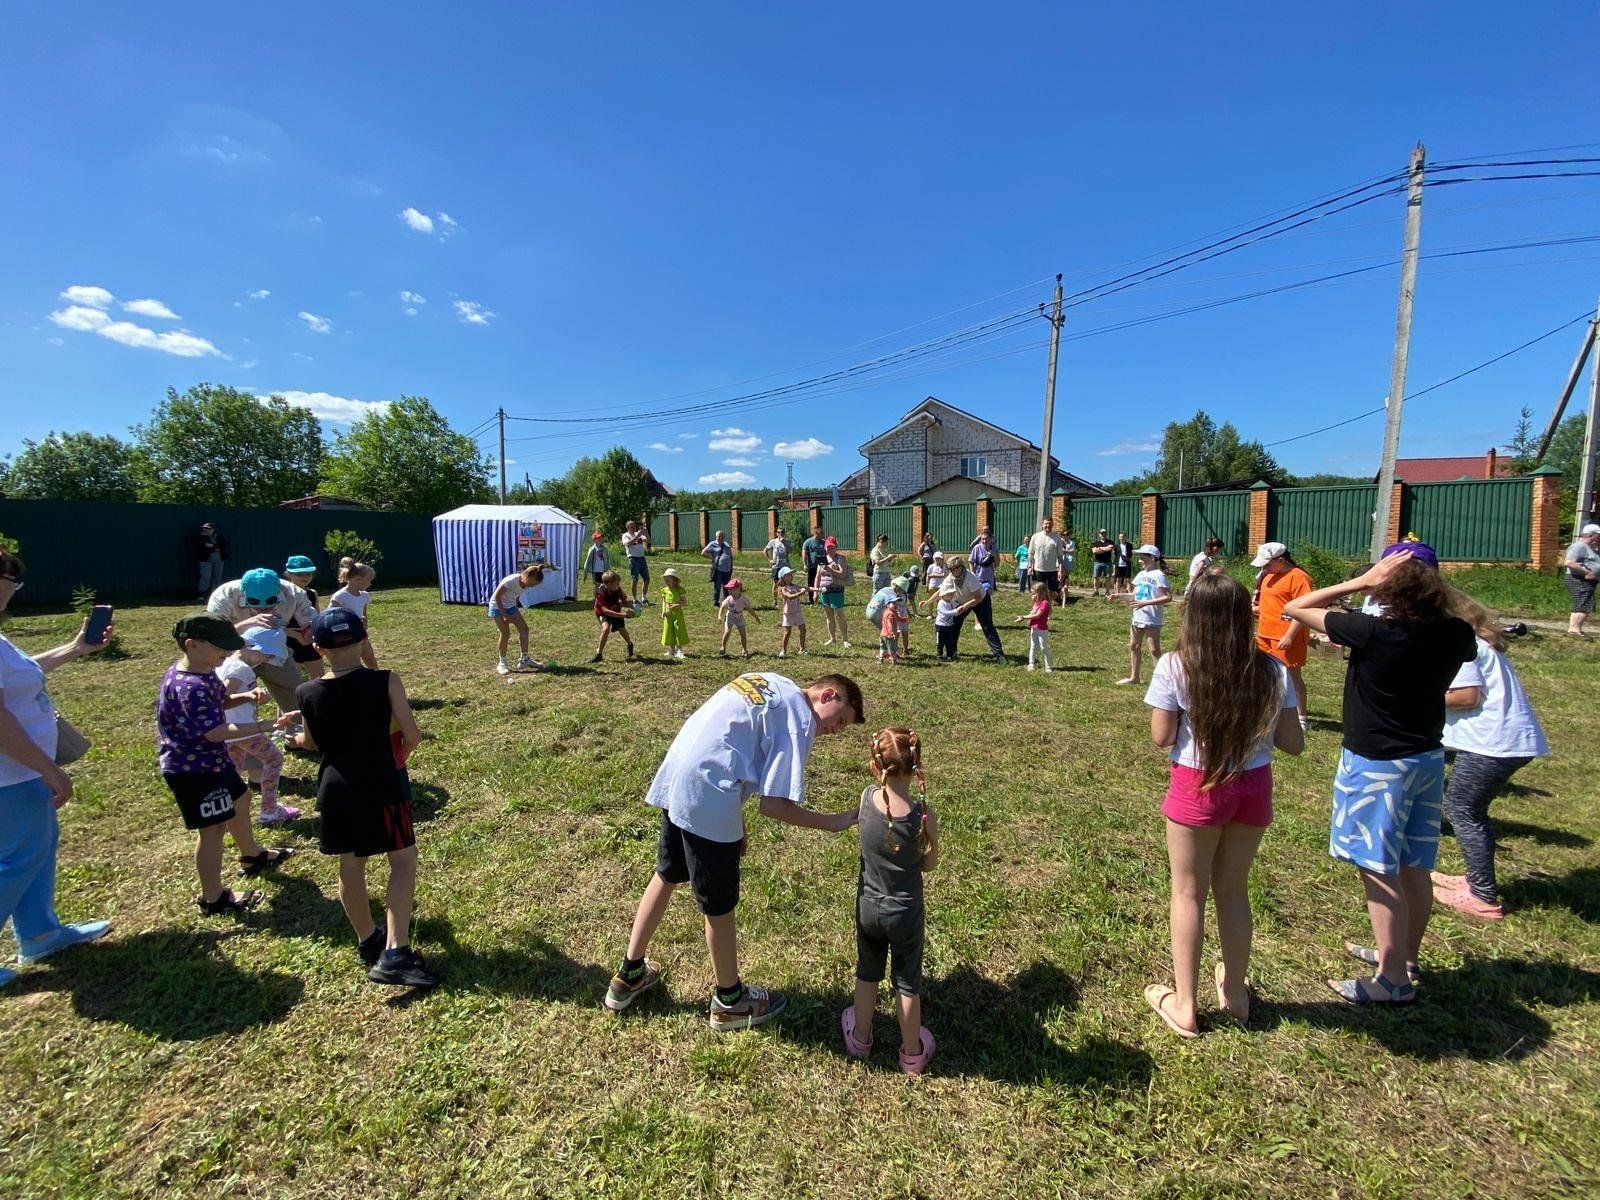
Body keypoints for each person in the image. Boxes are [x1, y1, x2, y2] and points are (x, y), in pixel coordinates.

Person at [603, 672, 865, 1028]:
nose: (836, 730)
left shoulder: (772, 680)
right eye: (841, 720)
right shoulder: (799, 721)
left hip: (680, 773)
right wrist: (836, 821)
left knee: (666, 875)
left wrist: (733, 820)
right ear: (828, 694)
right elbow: (774, 806)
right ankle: (730, 1002)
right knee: (719, 906)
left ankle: (630, 972)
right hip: (710, 792)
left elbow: (732, 742)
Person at [1282, 544, 1476, 1005]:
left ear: (1386, 584)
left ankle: (1391, 981)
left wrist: (1357, 583)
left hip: (1376, 766)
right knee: (1414, 865)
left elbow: (1294, 607)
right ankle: (1404, 956)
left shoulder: (1372, 631)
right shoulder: (1456, 632)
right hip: (1427, 757)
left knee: (1377, 868)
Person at [1142, 573, 1304, 1037]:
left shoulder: (1176, 666)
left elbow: (1161, 737)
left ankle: (1186, 1004)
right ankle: (1234, 993)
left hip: (1198, 783)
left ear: (1193, 616)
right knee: (1233, 890)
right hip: (1254, 784)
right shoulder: (1272, 668)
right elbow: (1293, 743)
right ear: (1242, 615)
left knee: (1187, 892)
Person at [292, 607, 436, 988]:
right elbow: (412, 734)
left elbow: (310, 743)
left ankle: (368, 938)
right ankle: (396, 952)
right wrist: (399, 758)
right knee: (402, 860)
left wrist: (291, 736)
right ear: (363, 640)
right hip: (384, 784)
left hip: (336, 788)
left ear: (319, 648)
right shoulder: (386, 680)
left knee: (351, 864)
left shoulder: (306, 691)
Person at [0, 547, 113, 987]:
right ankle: (39, 933)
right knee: (18, 857)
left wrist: (74, 648)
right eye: (10, 580)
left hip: (22, 771)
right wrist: (47, 769)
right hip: (11, 774)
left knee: (38, 850)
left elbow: (22, 673)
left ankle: (41, 933)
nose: (12, 589)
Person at [158, 614, 297, 916]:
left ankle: (252, 855)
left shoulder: (205, 670)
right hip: (193, 769)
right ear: (192, 645)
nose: (226, 652)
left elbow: (220, 701)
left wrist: (244, 696)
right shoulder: (190, 686)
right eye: (221, 647)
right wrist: (261, 726)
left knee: (242, 798)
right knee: (212, 830)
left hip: (213, 761)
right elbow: (215, 732)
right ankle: (213, 898)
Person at [1431, 589, 1550, 920]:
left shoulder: (1459, 645)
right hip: (1499, 740)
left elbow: (1466, 696)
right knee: (1468, 807)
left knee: (1463, 809)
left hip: (1494, 743)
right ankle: (1475, 880)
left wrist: (1414, 697)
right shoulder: (1476, 641)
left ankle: (1482, 895)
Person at [841, 726, 940, 1074]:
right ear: (916, 768)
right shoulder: (921, 816)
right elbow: (929, 863)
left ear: (874, 767)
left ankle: (860, 1037)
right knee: (907, 982)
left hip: (868, 906)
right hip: (905, 913)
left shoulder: (867, 799)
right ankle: (912, 1053)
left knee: (867, 972)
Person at [217, 626, 301, 826]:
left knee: (235, 771)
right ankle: (270, 810)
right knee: (273, 760)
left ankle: (228, 815)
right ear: (252, 648)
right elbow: (222, 698)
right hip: (244, 730)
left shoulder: (225, 664)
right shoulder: (241, 669)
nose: (268, 659)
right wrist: (250, 696)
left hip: (228, 732)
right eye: (267, 654)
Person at [207, 568, 317, 712]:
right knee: (227, 701)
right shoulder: (224, 596)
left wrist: (308, 632)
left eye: (271, 603)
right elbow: (211, 634)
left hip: (272, 651)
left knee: (295, 696)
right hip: (233, 654)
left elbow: (310, 622)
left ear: (279, 592)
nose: (263, 609)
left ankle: (293, 729)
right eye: (254, 603)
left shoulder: (294, 594)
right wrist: (245, 624)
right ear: (244, 593)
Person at [1250, 542, 1313, 731]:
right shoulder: (1267, 576)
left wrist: (1289, 635)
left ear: (1281, 560)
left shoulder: (1299, 578)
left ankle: (1301, 717)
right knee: (1267, 674)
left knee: (1292, 676)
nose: (1265, 568)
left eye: (1268, 564)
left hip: (1286, 636)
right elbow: (1269, 604)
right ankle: (1270, 709)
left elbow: (1304, 609)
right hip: (1265, 633)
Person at [1117, 546, 1170, 686]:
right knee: (1134, 646)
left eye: (1142, 557)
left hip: (1152, 618)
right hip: (1137, 617)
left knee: (1154, 650)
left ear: (1152, 558)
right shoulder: (1140, 575)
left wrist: (1145, 603)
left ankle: (1163, 682)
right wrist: (1119, 596)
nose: (1140, 561)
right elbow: (1134, 595)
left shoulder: (1159, 575)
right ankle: (1134, 677)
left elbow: (1168, 597)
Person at [489, 565, 547, 675]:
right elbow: (497, 597)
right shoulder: (512, 580)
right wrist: (505, 614)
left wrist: (513, 612)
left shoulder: (525, 583)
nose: (531, 586)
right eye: (532, 583)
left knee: (524, 629)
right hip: (497, 606)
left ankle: (524, 659)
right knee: (505, 633)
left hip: (510, 605)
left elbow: (513, 596)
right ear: (528, 576)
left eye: (534, 585)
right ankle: (502, 663)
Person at [929, 556, 985, 662]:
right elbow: (941, 592)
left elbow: (977, 597)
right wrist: (928, 601)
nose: (954, 570)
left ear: (961, 566)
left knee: (987, 626)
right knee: (952, 628)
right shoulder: (950, 578)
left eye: (956, 567)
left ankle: (998, 653)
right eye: (951, 569)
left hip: (980, 600)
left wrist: (963, 607)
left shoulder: (969, 577)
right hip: (962, 603)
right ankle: (950, 652)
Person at [965, 532, 1008, 663]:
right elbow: (971, 562)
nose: (984, 541)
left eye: (986, 539)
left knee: (986, 597)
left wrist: (994, 556)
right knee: (977, 599)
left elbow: (998, 564)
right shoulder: (976, 548)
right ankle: (978, 622)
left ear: (990, 540)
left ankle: (986, 620)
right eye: (982, 539)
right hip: (977, 578)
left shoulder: (994, 548)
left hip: (988, 579)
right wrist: (972, 574)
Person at [282, 554, 324, 682]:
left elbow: (317, 617)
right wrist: (296, 636)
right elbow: (276, 624)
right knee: (292, 681)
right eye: (300, 574)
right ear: (289, 575)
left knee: (319, 678)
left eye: (308, 574)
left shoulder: (312, 593)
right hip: (289, 642)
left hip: (308, 640)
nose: (305, 577)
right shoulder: (283, 595)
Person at [331, 557, 378, 670]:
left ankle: (377, 677)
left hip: (361, 633)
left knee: (370, 658)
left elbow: (363, 612)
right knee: (349, 663)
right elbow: (330, 616)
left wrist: (364, 621)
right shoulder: (340, 596)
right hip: (346, 635)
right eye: (369, 580)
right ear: (358, 579)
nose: (370, 584)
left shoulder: (364, 595)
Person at [1563, 523, 1600, 638]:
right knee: (1584, 603)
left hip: (1586, 581)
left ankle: (1574, 629)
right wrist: (1587, 572)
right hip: (1578, 579)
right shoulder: (1579, 546)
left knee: (1583, 603)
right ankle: (1574, 630)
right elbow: (1569, 562)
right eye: (1598, 535)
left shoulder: (1591, 548)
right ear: (1591, 535)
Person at [592, 570, 637, 662]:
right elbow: (606, 611)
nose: (618, 585)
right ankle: (599, 654)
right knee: (605, 629)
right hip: (602, 613)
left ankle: (630, 644)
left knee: (621, 629)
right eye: (616, 584)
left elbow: (624, 601)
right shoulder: (600, 592)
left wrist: (634, 608)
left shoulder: (617, 588)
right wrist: (624, 615)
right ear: (608, 584)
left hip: (615, 609)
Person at [814, 537, 851, 649]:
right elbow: (817, 577)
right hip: (824, 590)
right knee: (829, 615)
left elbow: (842, 574)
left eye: (832, 547)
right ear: (825, 548)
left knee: (840, 614)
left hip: (837, 590)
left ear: (836, 547)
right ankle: (832, 638)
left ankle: (845, 640)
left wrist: (829, 569)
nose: (830, 549)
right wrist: (815, 592)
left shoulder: (841, 558)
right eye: (828, 547)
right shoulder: (822, 559)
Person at [1014, 581, 1053, 672]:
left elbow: (1037, 616)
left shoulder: (1045, 603)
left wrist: (1023, 617)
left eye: (1034, 594)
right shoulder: (1036, 604)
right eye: (1031, 594)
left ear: (1041, 593)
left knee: (1043, 647)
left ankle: (1048, 666)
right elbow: (1032, 614)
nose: (1032, 596)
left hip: (1042, 630)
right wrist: (1025, 616)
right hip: (1034, 629)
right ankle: (1031, 664)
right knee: (1033, 646)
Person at [1027, 517, 1065, 605]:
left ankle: (1047, 608)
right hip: (1038, 569)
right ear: (1042, 524)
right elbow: (1030, 553)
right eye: (1046, 524)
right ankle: (1038, 608)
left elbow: (1060, 556)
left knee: (1051, 592)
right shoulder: (1035, 537)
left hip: (1052, 570)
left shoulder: (1057, 538)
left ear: (1052, 525)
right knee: (1038, 591)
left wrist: (1060, 570)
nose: (1048, 525)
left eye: (1050, 524)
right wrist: (1030, 566)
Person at [717, 578, 757, 657]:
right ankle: (723, 646)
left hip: (739, 617)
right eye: (729, 589)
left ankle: (744, 650)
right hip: (730, 616)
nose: (730, 591)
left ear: (739, 589)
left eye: (732, 589)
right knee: (727, 631)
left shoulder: (743, 599)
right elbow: (722, 606)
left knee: (743, 634)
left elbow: (749, 609)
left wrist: (755, 616)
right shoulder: (729, 599)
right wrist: (719, 616)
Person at [776, 567, 808, 658]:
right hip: (788, 613)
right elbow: (789, 597)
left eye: (791, 574)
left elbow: (808, 588)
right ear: (783, 577)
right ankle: (783, 650)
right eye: (788, 574)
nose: (791, 576)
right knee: (787, 632)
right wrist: (800, 593)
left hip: (797, 612)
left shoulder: (795, 586)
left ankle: (802, 649)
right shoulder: (783, 588)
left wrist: (819, 590)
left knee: (803, 629)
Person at [660, 567, 689, 660]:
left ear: (675, 580)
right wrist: (663, 611)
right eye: (665, 580)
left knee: (678, 630)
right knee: (669, 631)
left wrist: (678, 605)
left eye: (668, 580)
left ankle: (679, 650)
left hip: (677, 615)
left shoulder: (680, 590)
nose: (667, 582)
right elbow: (664, 601)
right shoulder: (664, 590)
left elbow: (685, 602)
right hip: (668, 615)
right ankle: (672, 649)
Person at [194, 521, 229, 599]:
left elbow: (224, 546)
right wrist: (216, 548)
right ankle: (201, 594)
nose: (205, 530)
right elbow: (203, 547)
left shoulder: (218, 537)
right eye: (204, 528)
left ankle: (215, 593)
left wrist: (213, 546)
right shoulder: (201, 537)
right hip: (205, 559)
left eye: (208, 528)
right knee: (206, 576)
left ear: (212, 529)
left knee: (217, 576)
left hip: (219, 559)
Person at [702, 530, 734, 607]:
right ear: (716, 537)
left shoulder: (726, 545)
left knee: (727, 586)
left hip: (727, 570)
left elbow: (730, 556)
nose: (720, 538)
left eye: (722, 537)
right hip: (718, 570)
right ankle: (716, 602)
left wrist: (731, 567)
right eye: (719, 536)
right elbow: (703, 553)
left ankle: (727, 602)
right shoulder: (712, 544)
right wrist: (712, 557)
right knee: (717, 586)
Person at [622, 521, 651, 606]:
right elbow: (627, 544)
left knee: (647, 579)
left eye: (634, 526)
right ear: (627, 528)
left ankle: (644, 598)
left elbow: (648, 541)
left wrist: (646, 533)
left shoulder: (637, 533)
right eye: (631, 527)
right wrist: (638, 536)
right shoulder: (625, 535)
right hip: (633, 559)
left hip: (642, 558)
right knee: (635, 580)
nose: (633, 528)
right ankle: (634, 599)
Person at [765, 530, 792, 608]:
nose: (780, 534)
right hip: (776, 565)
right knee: (776, 583)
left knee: (787, 582)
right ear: (776, 533)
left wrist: (784, 543)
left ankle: (788, 598)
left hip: (785, 565)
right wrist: (770, 560)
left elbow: (791, 550)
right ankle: (775, 600)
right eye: (779, 532)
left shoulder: (787, 541)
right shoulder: (773, 541)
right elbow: (765, 550)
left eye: (782, 532)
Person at [803, 525, 827, 605]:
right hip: (812, 567)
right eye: (821, 532)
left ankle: (822, 598)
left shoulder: (824, 542)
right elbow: (804, 553)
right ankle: (812, 600)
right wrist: (805, 564)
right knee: (811, 583)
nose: (823, 534)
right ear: (816, 533)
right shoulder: (808, 542)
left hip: (822, 567)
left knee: (822, 582)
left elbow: (828, 552)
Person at [1090, 529, 1115, 597]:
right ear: (1099, 534)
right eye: (1102, 533)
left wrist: (1100, 548)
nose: (1103, 534)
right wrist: (1105, 549)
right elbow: (1094, 551)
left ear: (1106, 534)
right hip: (1097, 562)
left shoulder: (1110, 542)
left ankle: (1107, 592)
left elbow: (1110, 549)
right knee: (1096, 577)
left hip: (1107, 562)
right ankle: (1096, 591)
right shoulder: (1095, 543)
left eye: (1104, 533)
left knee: (1108, 577)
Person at [1113, 532, 1134, 596]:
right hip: (1118, 565)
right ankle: (1117, 593)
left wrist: (1127, 558)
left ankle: (1130, 593)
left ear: (1125, 538)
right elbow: (1115, 555)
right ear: (1119, 538)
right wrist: (1114, 566)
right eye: (1120, 537)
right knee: (1118, 579)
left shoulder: (1129, 545)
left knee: (1128, 579)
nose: (1121, 538)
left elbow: (1131, 554)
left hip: (1127, 564)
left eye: (1123, 537)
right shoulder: (1116, 546)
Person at [1061, 531, 1077, 599]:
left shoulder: (1072, 542)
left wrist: (1065, 551)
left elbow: (1073, 551)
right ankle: (1060, 589)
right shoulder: (1059, 541)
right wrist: (1068, 551)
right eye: (1064, 535)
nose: (1065, 536)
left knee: (1067, 575)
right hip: (1061, 560)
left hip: (1068, 560)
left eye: (1067, 534)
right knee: (1060, 574)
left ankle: (1066, 589)